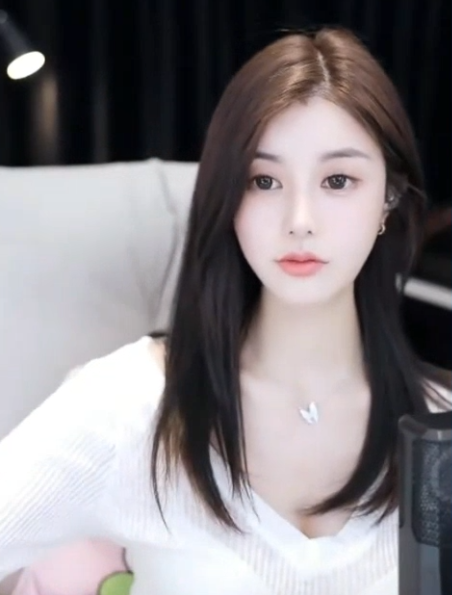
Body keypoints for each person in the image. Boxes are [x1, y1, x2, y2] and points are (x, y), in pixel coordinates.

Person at [0, 26, 450, 595]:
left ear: (388, 198)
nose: (300, 219)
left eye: (338, 180)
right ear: (227, 197)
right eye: (264, 181)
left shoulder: (441, 427)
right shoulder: (128, 406)